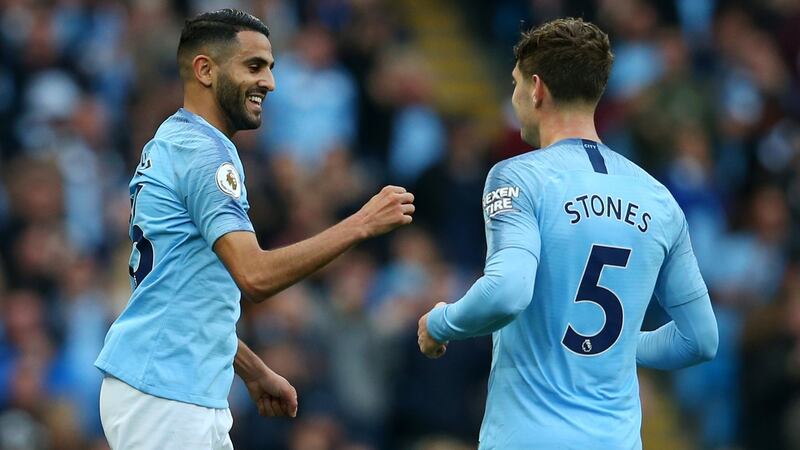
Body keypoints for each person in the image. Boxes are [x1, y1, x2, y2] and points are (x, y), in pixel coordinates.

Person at [95, 9, 414, 450]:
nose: (270, 82)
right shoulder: (206, 156)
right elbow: (256, 277)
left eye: (270, 67)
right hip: (166, 392)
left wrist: (253, 369)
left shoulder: (172, 141)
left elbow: (183, 292)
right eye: (254, 66)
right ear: (205, 70)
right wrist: (361, 224)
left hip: (170, 384)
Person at [416, 18, 718, 450]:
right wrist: (616, 343)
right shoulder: (658, 198)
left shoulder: (517, 177)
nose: (515, 97)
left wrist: (441, 323)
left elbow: (506, 292)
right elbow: (700, 339)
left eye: (516, 83)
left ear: (537, 88)